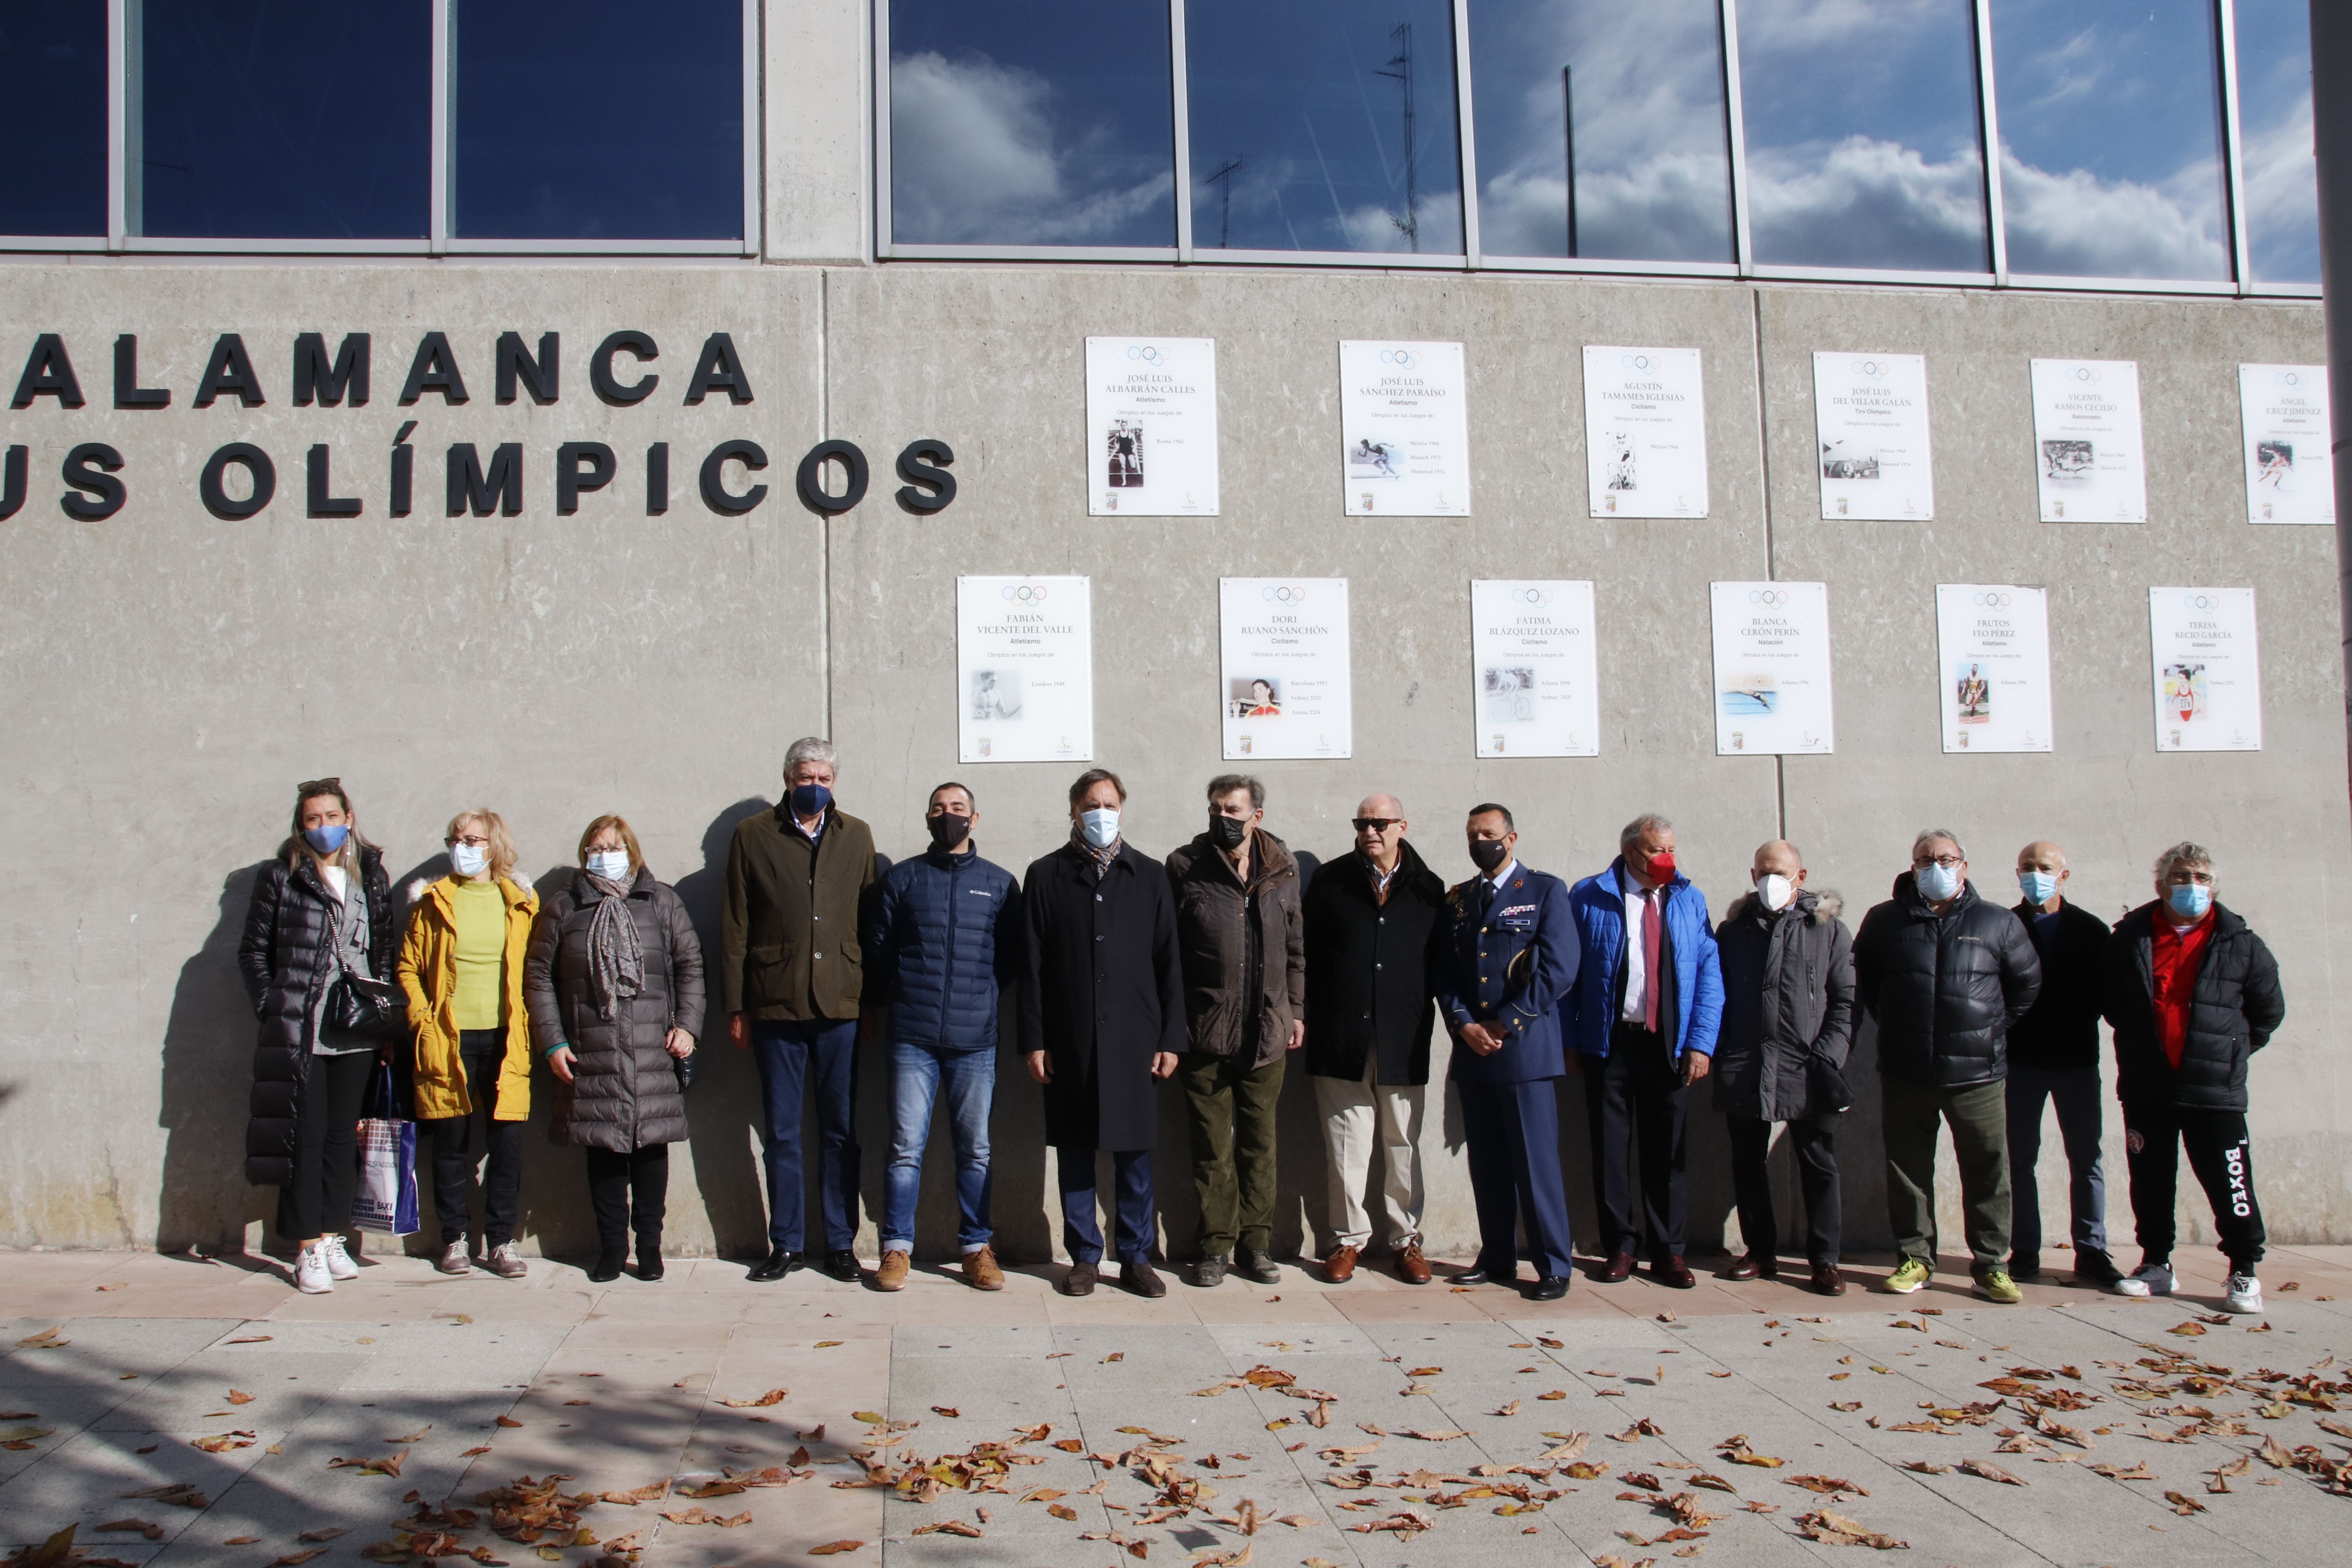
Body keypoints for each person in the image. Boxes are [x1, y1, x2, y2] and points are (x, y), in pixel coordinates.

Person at [1853, 829, 2040, 1302]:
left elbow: (2025, 985)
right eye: (1925, 860)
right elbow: (1868, 986)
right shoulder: (1884, 921)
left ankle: (1992, 1265)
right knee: (1908, 1172)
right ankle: (1915, 1259)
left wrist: (1989, 1030)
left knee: (1988, 1170)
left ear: (1965, 865)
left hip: (1978, 1076)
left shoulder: (1998, 923)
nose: (1936, 867)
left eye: (1946, 858)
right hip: (1906, 1070)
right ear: (1912, 866)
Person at [722, 737, 882, 1283]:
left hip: (840, 1004)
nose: (814, 786)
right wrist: (737, 1005)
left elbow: (869, 919)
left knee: (840, 1130)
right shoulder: (753, 836)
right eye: (805, 777)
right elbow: (737, 923)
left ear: (835, 782)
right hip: (775, 1004)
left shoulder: (856, 835)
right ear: (788, 780)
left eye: (824, 779)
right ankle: (786, 1243)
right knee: (783, 1132)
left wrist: (871, 1002)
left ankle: (840, 1243)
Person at [1020, 768, 1184, 1298]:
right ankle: (1084, 1257)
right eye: (1091, 804)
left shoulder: (1151, 876)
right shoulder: (1046, 876)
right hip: (1070, 1039)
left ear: (1123, 809)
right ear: (1073, 810)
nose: (1101, 813)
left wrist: (1170, 1038)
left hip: (1137, 1039)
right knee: (1074, 1150)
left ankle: (1136, 1256)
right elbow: (1033, 966)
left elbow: (1169, 964)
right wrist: (1035, 1038)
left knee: (1136, 1154)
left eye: (1110, 803)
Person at [2099, 842, 2283, 1313]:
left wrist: (2230, 1051)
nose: (2191, 886)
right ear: (2161, 884)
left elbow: (2267, 1012)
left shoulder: (2241, 942)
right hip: (2148, 1087)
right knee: (2151, 1180)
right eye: (2181, 877)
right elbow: (2112, 1003)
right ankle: (2156, 1264)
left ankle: (2244, 1269)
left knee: (2230, 1180)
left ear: (2214, 885)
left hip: (2214, 1089)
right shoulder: (2131, 937)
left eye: (2200, 877)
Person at [526, 815, 703, 1284]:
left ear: (632, 850)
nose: (604, 855)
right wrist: (553, 1042)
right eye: (595, 847)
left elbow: (690, 966)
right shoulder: (565, 907)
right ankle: (611, 1247)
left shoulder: (660, 901)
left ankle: (649, 1247)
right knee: (602, 1151)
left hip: (651, 1048)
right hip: (592, 1048)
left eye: (613, 846)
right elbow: (538, 976)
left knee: (649, 1149)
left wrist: (688, 1026)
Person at [238, 779, 398, 1294]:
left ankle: (333, 1235)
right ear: (301, 826)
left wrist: (383, 1013)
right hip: (302, 1029)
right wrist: (272, 1006)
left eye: (332, 816)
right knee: (304, 1138)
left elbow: (385, 950)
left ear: (349, 817)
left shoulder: (370, 876)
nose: (324, 826)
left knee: (339, 1137)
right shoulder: (281, 877)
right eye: (313, 819)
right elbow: (253, 952)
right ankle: (306, 1247)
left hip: (355, 1028)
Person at [865, 782, 1020, 1292]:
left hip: (976, 1040)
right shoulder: (903, 878)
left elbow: (1010, 957)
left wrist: (979, 995)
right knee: (905, 1147)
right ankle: (896, 1248)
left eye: (958, 809)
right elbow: (880, 950)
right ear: (928, 818)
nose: (948, 815)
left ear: (975, 819)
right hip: (912, 1037)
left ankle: (976, 1248)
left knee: (975, 1149)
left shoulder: (999, 885)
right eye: (939, 809)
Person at [1565, 813, 1723, 1289]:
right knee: (1612, 1152)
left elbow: (1709, 976)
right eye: (1657, 850)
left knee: (1668, 1151)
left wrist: (1700, 1042)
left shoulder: (1689, 899)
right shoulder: (1589, 896)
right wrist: (1570, 1041)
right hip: (1610, 1043)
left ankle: (1669, 1251)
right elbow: (1567, 975)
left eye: (1671, 848)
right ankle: (1621, 1246)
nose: (1667, 858)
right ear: (1631, 850)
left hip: (1668, 1046)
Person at [1432, 803, 1579, 1300]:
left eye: (1489, 834)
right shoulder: (1458, 898)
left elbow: (1559, 968)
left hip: (1525, 1050)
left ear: (1511, 839)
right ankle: (1497, 1256)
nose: (1480, 842)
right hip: (1475, 1051)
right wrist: (1464, 1025)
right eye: (1473, 834)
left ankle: (1554, 1265)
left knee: (1535, 1165)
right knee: (1488, 1163)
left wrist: (1506, 1021)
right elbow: (1446, 973)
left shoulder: (1544, 890)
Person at [1166, 775, 1305, 1287]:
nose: (1223, 818)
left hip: (1267, 1033)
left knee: (1260, 1145)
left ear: (1257, 817)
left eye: (1233, 810)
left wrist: (1297, 1011)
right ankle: (1215, 1247)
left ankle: (1257, 1244)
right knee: (1211, 1147)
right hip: (1205, 1031)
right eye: (1216, 809)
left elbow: (1296, 950)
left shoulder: (1283, 870)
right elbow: (1171, 953)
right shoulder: (1185, 866)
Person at [1303, 793, 1444, 1285]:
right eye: (1362, 822)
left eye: (1380, 822)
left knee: (1402, 1142)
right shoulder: (1330, 881)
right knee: (1346, 1143)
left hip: (1402, 1035)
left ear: (1403, 825)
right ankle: (1347, 1241)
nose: (1370, 831)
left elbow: (1439, 968)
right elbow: (1307, 956)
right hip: (1341, 1035)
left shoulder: (1430, 889)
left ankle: (1407, 1241)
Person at [400, 808, 540, 1280]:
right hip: (448, 1038)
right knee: (451, 1144)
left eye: (475, 838)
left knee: (508, 1145)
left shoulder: (520, 902)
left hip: (507, 1037)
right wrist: (422, 1017)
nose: (464, 845)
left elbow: (535, 967)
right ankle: (455, 1238)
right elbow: (408, 967)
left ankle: (501, 1241)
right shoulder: (433, 901)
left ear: (495, 845)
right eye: (457, 837)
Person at [1710, 840, 1854, 1295]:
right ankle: (1760, 1250)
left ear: (1801, 876)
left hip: (1807, 1067)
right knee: (1748, 1162)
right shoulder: (1734, 931)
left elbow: (1847, 1000)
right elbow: (1719, 995)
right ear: (1753, 875)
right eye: (1764, 871)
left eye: (1782, 872)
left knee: (1818, 1163)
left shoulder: (1828, 929)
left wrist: (1828, 1056)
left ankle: (1825, 1260)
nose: (1772, 880)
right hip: (1746, 1063)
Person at [2004, 840, 2120, 1287]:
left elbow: (2107, 994)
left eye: (2046, 867)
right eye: (2028, 867)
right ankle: (2024, 1250)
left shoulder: (2091, 931)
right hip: (2021, 1062)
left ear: (2064, 875)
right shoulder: (2006, 926)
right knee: (2019, 1159)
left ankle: (2091, 1250)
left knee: (2086, 1157)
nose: (2037, 875)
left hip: (2076, 1062)